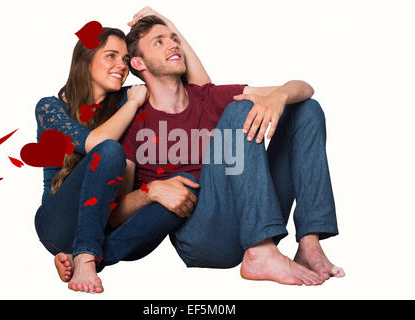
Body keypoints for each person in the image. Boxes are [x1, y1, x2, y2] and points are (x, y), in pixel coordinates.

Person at [114, 15, 345, 286]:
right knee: (241, 108)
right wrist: (151, 191)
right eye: (159, 42)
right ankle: (260, 251)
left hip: (255, 214)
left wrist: (278, 97)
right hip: (201, 233)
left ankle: (309, 244)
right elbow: (116, 213)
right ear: (139, 63)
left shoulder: (207, 97)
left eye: (174, 39)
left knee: (306, 109)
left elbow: (305, 89)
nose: (173, 45)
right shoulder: (134, 118)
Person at [34, 8, 211, 293]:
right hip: (60, 223)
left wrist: (169, 25)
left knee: (182, 191)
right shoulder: (51, 108)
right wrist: (132, 104)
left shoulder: (127, 95)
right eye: (111, 56)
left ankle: (88, 260)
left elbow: (201, 91)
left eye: (126, 59)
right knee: (112, 152)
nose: (122, 65)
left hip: (113, 224)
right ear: (85, 60)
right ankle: (85, 254)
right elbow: (95, 145)